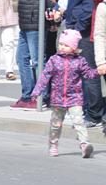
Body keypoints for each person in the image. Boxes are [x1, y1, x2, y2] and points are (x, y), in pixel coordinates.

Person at [32, 29, 96, 158]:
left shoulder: (80, 61)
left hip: (75, 97)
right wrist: (37, 91)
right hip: (58, 98)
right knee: (56, 124)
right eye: (61, 44)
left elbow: (88, 74)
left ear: (74, 47)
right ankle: (53, 143)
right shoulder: (54, 60)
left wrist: (98, 71)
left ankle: (84, 144)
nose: (62, 47)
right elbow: (45, 76)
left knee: (79, 121)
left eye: (66, 45)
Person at [59, 0, 101, 127]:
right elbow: (75, 3)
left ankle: (94, 114)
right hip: (79, 30)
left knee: (90, 73)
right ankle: (88, 110)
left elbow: (88, 7)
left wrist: (76, 27)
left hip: (86, 32)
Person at [14, 0, 45, 109]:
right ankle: (27, 95)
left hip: (34, 23)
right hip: (26, 23)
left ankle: (39, 97)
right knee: (21, 59)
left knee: (37, 61)